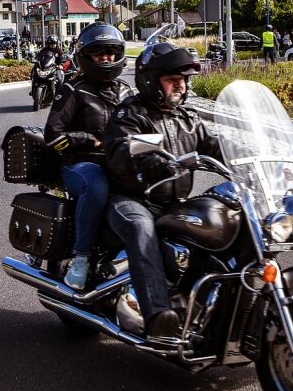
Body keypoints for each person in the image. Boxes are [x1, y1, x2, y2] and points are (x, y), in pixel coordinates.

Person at [103, 42, 224, 338]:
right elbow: (121, 148)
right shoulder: (130, 114)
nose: (180, 86)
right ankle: (158, 314)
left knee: (222, 217)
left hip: (175, 203)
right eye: (172, 80)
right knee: (141, 227)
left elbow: (215, 147)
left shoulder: (187, 118)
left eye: (182, 80)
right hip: (132, 200)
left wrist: (249, 157)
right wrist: (147, 159)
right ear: (150, 81)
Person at [44, 22, 133, 290]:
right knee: (95, 183)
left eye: (111, 51)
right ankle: (81, 258)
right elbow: (52, 135)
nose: (106, 57)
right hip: (80, 165)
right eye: (98, 52)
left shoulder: (126, 91)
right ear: (86, 56)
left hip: (117, 162)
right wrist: (90, 141)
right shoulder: (73, 90)